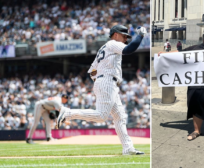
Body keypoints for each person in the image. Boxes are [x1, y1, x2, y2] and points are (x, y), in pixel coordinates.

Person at [56, 25, 147, 155]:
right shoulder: (113, 43)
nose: (126, 38)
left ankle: (128, 148)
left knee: (120, 116)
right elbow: (129, 49)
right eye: (124, 36)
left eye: (127, 37)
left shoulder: (103, 48)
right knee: (101, 116)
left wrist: (100, 80)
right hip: (108, 81)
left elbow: (92, 71)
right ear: (115, 34)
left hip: (106, 82)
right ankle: (68, 113)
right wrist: (141, 35)